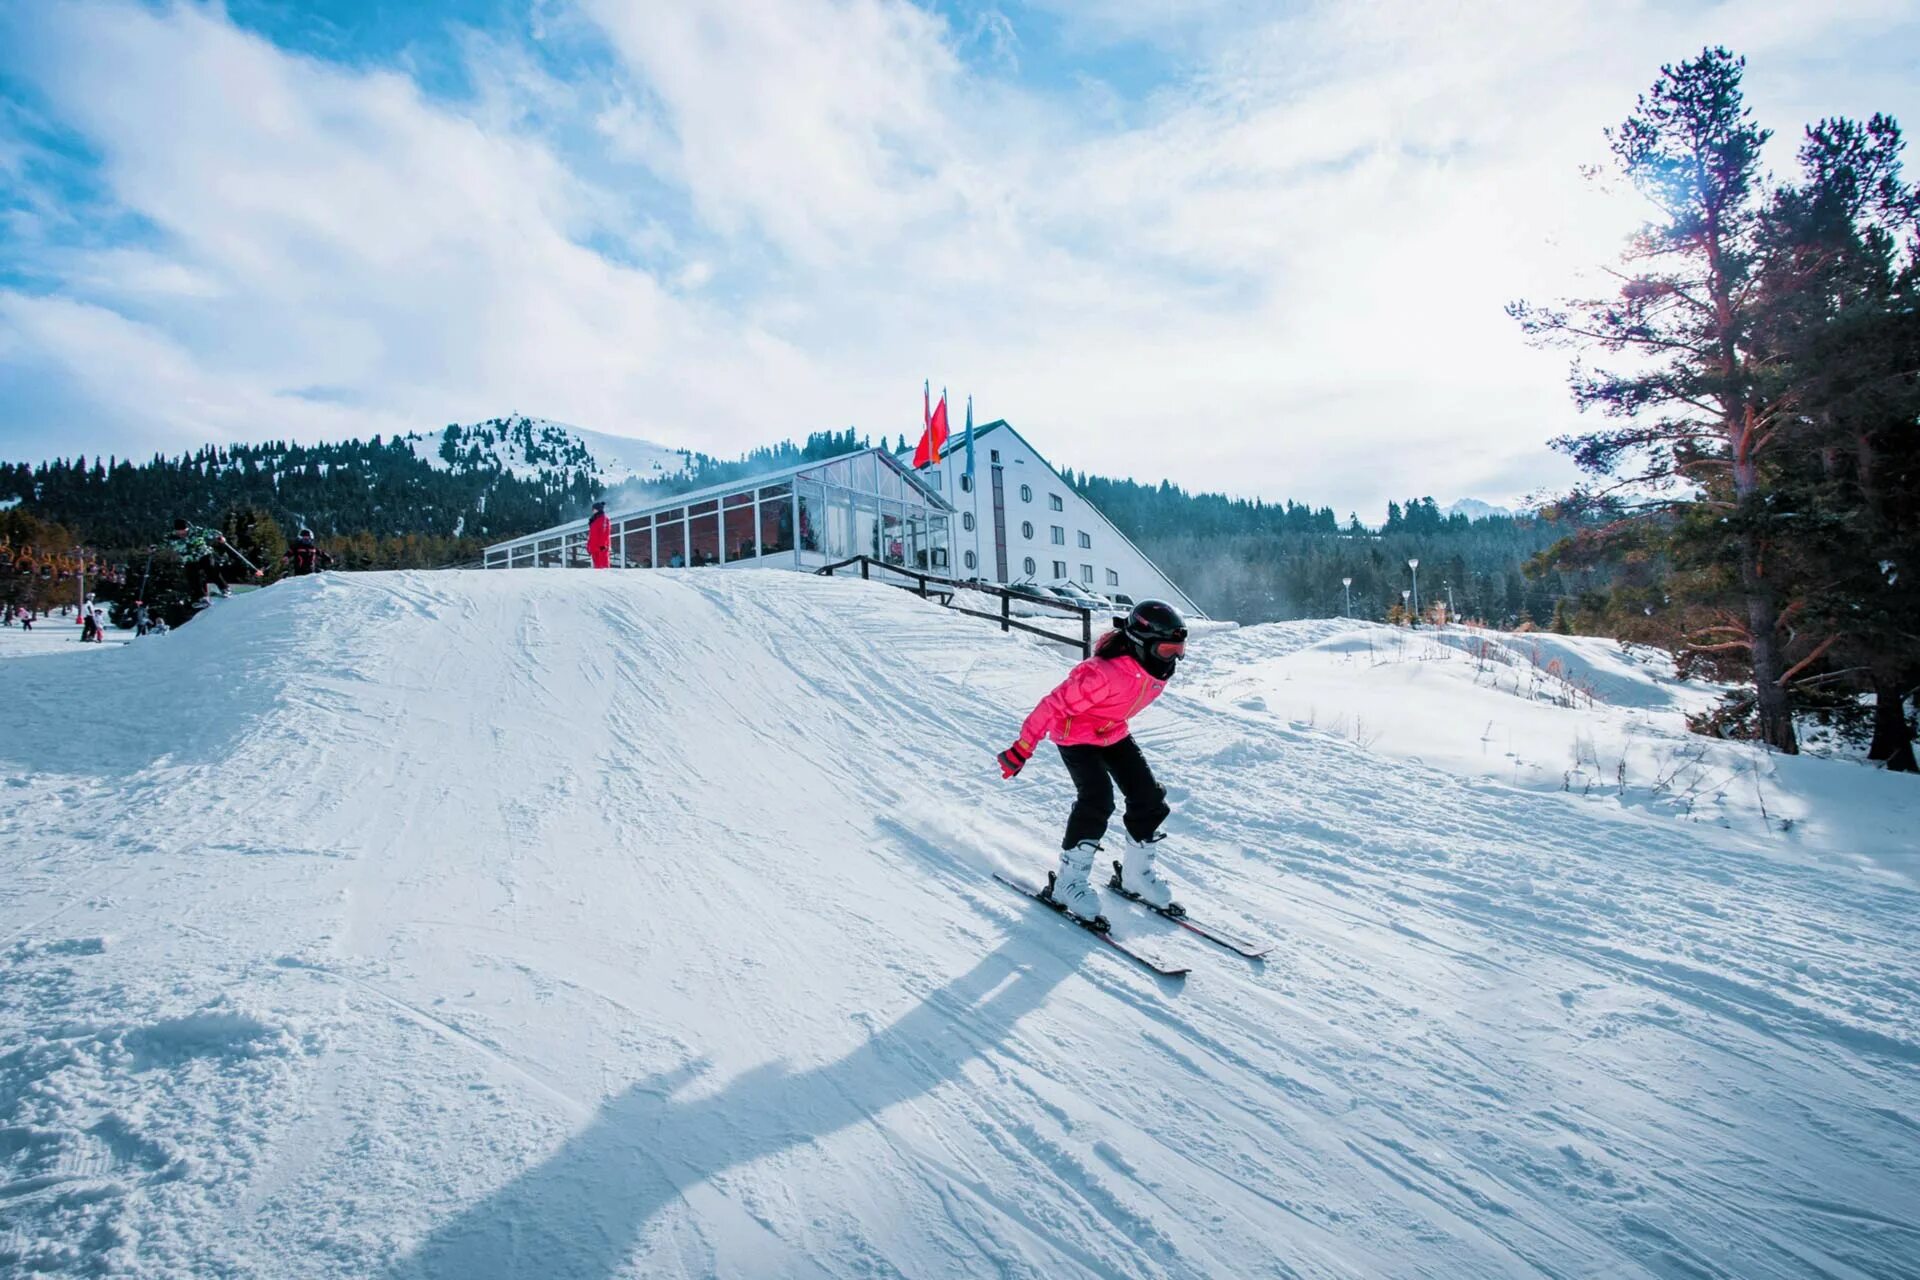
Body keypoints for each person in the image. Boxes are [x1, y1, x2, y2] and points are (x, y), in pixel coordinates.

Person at [997, 600, 1190, 925]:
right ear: (1142, 644)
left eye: (1179, 650)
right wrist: (1022, 748)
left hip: (1112, 731)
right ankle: (1068, 883)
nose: (1175, 659)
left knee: (1149, 798)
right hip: (1076, 735)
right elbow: (1050, 707)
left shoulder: (1152, 667)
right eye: (1168, 651)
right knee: (1097, 800)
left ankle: (1135, 875)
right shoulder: (1102, 674)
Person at [164, 518, 232, 607]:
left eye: (184, 530)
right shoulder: (171, 537)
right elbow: (162, 544)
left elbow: (210, 532)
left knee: (211, 570)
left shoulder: (195, 531)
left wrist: (219, 537)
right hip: (189, 559)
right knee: (192, 578)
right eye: (179, 531)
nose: (182, 533)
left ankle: (225, 589)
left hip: (203, 554)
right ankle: (202, 597)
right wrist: (153, 549)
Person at [587, 501, 612, 570]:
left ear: (598, 509)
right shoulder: (594, 520)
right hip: (594, 546)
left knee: (603, 566)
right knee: (597, 567)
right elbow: (591, 535)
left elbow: (604, 533)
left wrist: (603, 545)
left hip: (601, 547)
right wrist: (589, 546)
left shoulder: (603, 519)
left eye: (594, 509)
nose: (592, 511)